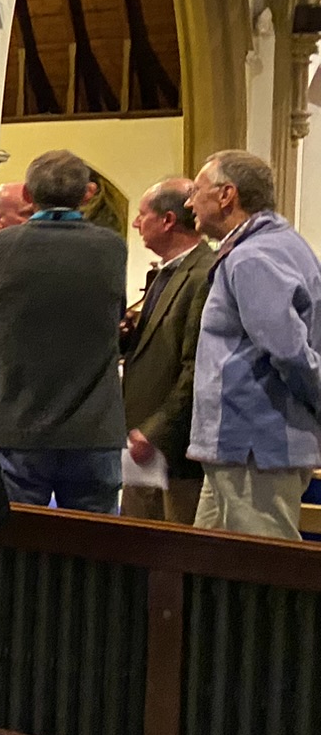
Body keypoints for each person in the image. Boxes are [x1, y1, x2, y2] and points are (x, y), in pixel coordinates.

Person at [0, 150, 127, 513]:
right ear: (88, 193)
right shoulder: (111, 247)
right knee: (97, 545)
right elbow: (114, 318)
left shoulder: (5, 245)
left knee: (22, 545)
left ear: (27, 195)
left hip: (20, 420)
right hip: (94, 427)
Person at [185, 150, 321, 540]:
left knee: (264, 569)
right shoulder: (275, 244)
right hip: (240, 447)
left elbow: (288, 350)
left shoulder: (253, 257)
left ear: (227, 195)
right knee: (208, 562)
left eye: (197, 191)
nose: (189, 201)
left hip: (256, 444)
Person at [120, 179, 210, 524]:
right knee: (138, 541)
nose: (135, 223)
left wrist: (154, 431)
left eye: (142, 214)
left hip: (173, 447)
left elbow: (195, 367)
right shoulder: (165, 273)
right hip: (144, 441)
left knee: (170, 551)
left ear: (168, 220)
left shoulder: (203, 274)